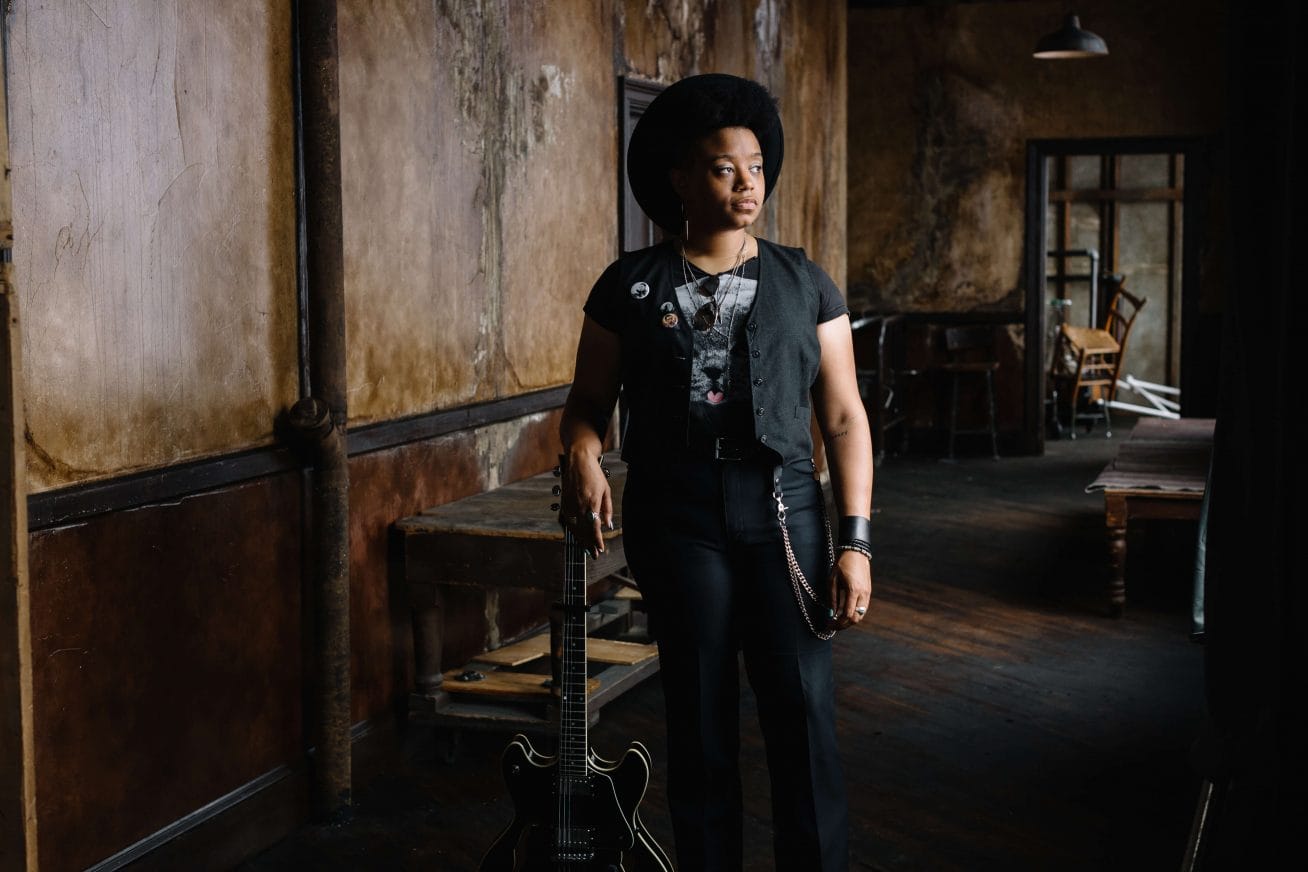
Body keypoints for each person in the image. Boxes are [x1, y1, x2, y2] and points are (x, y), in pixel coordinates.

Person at [559, 73, 873, 872]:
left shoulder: (806, 282)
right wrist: (583, 455)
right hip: (678, 514)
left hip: (784, 512)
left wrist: (856, 541)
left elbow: (842, 418)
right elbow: (588, 403)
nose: (746, 185)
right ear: (681, 179)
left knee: (801, 711)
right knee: (699, 717)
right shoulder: (629, 284)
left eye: (757, 168)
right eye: (725, 168)